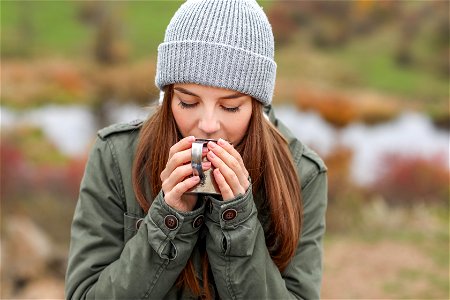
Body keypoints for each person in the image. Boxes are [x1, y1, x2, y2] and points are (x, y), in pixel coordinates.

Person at [65, 0, 328, 299]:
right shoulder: (116, 156)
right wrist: (167, 219)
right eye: (188, 102)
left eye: (230, 107)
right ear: (169, 95)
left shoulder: (302, 172)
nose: (207, 124)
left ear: (256, 105)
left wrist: (238, 223)